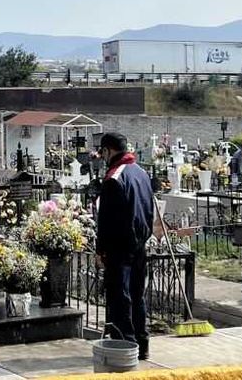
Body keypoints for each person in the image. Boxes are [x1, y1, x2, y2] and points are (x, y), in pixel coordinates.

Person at [95, 132, 154, 361]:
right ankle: (142, 342)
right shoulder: (141, 173)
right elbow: (148, 208)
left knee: (121, 297)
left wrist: (101, 251)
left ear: (108, 151)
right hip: (140, 244)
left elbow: (106, 220)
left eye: (103, 153)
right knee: (137, 295)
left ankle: (126, 345)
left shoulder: (114, 178)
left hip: (119, 247)